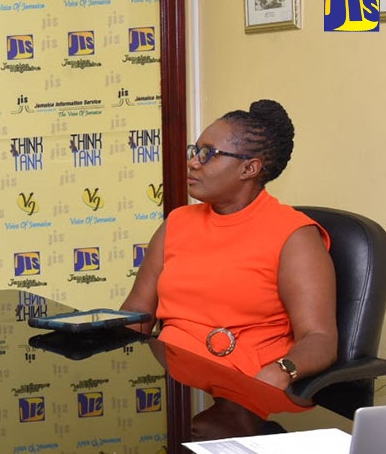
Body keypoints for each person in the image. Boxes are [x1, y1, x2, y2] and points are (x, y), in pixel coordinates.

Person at [121, 99, 338, 439]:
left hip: (246, 390)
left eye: (208, 154)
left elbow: (320, 338)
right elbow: (137, 310)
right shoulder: (177, 222)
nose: (192, 162)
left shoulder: (294, 235)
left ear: (249, 168)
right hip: (176, 385)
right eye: (196, 150)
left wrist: (283, 371)